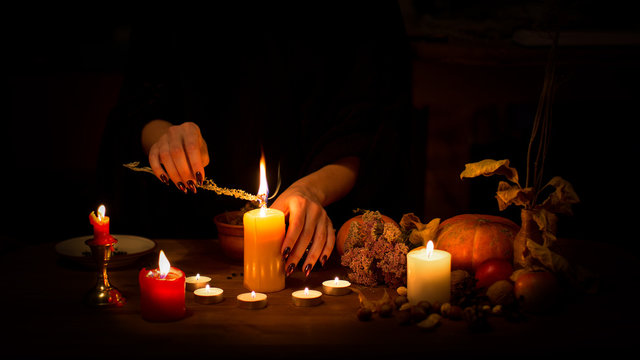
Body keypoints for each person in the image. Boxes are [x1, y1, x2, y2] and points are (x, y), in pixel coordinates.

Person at [97, 2, 412, 277]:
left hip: (319, 250)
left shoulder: (360, 15)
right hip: (184, 243)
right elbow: (139, 101)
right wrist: (164, 137)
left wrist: (311, 190)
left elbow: (369, 126)